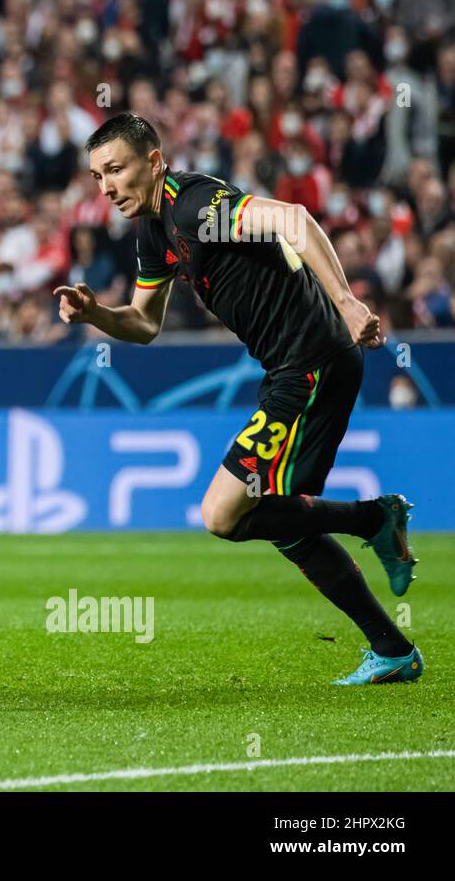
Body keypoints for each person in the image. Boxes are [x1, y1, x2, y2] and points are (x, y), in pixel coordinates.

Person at [53, 112, 422, 685]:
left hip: (314, 361)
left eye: (116, 170)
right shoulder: (153, 232)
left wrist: (347, 303)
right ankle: (391, 645)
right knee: (280, 519)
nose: (106, 187)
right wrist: (96, 312)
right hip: (290, 369)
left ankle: (375, 519)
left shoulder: (195, 206)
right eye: (97, 176)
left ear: (153, 162)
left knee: (223, 512)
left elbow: (294, 221)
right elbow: (145, 324)